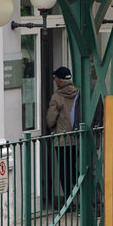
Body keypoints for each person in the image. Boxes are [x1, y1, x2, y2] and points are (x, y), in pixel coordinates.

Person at [46, 66, 79, 207]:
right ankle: (85, 196)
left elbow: (50, 120)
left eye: (55, 78)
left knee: (64, 173)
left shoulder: (57, 97)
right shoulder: (77, 94)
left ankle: (69, 202)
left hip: (62, 140)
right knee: (73, 170)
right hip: (76, 139)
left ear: (60, 80)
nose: (55, 81)